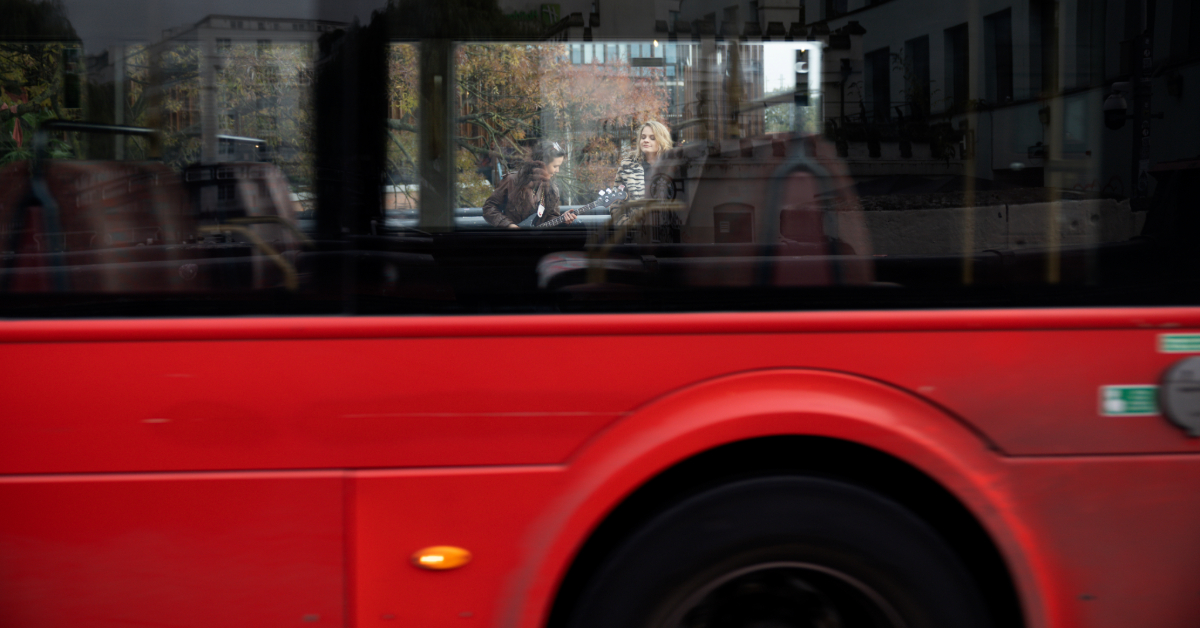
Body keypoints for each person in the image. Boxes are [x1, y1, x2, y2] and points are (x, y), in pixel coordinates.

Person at [482, 141, 575, 229]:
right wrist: (509, 225)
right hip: (513, 241)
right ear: (542, 163)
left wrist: (562, 219)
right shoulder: (511, 181)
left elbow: (549, 220)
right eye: (555, 166)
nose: (557, 171)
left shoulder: (552, 189)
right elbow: (489, 208)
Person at [613, 120, 672, 202]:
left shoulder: (672, 166)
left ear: (662, 141)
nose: (646, 140)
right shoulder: (627, 166)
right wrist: (625, 215)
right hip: (636, 215)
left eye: (652, 138)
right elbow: (616, 202)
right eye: (643, 137)